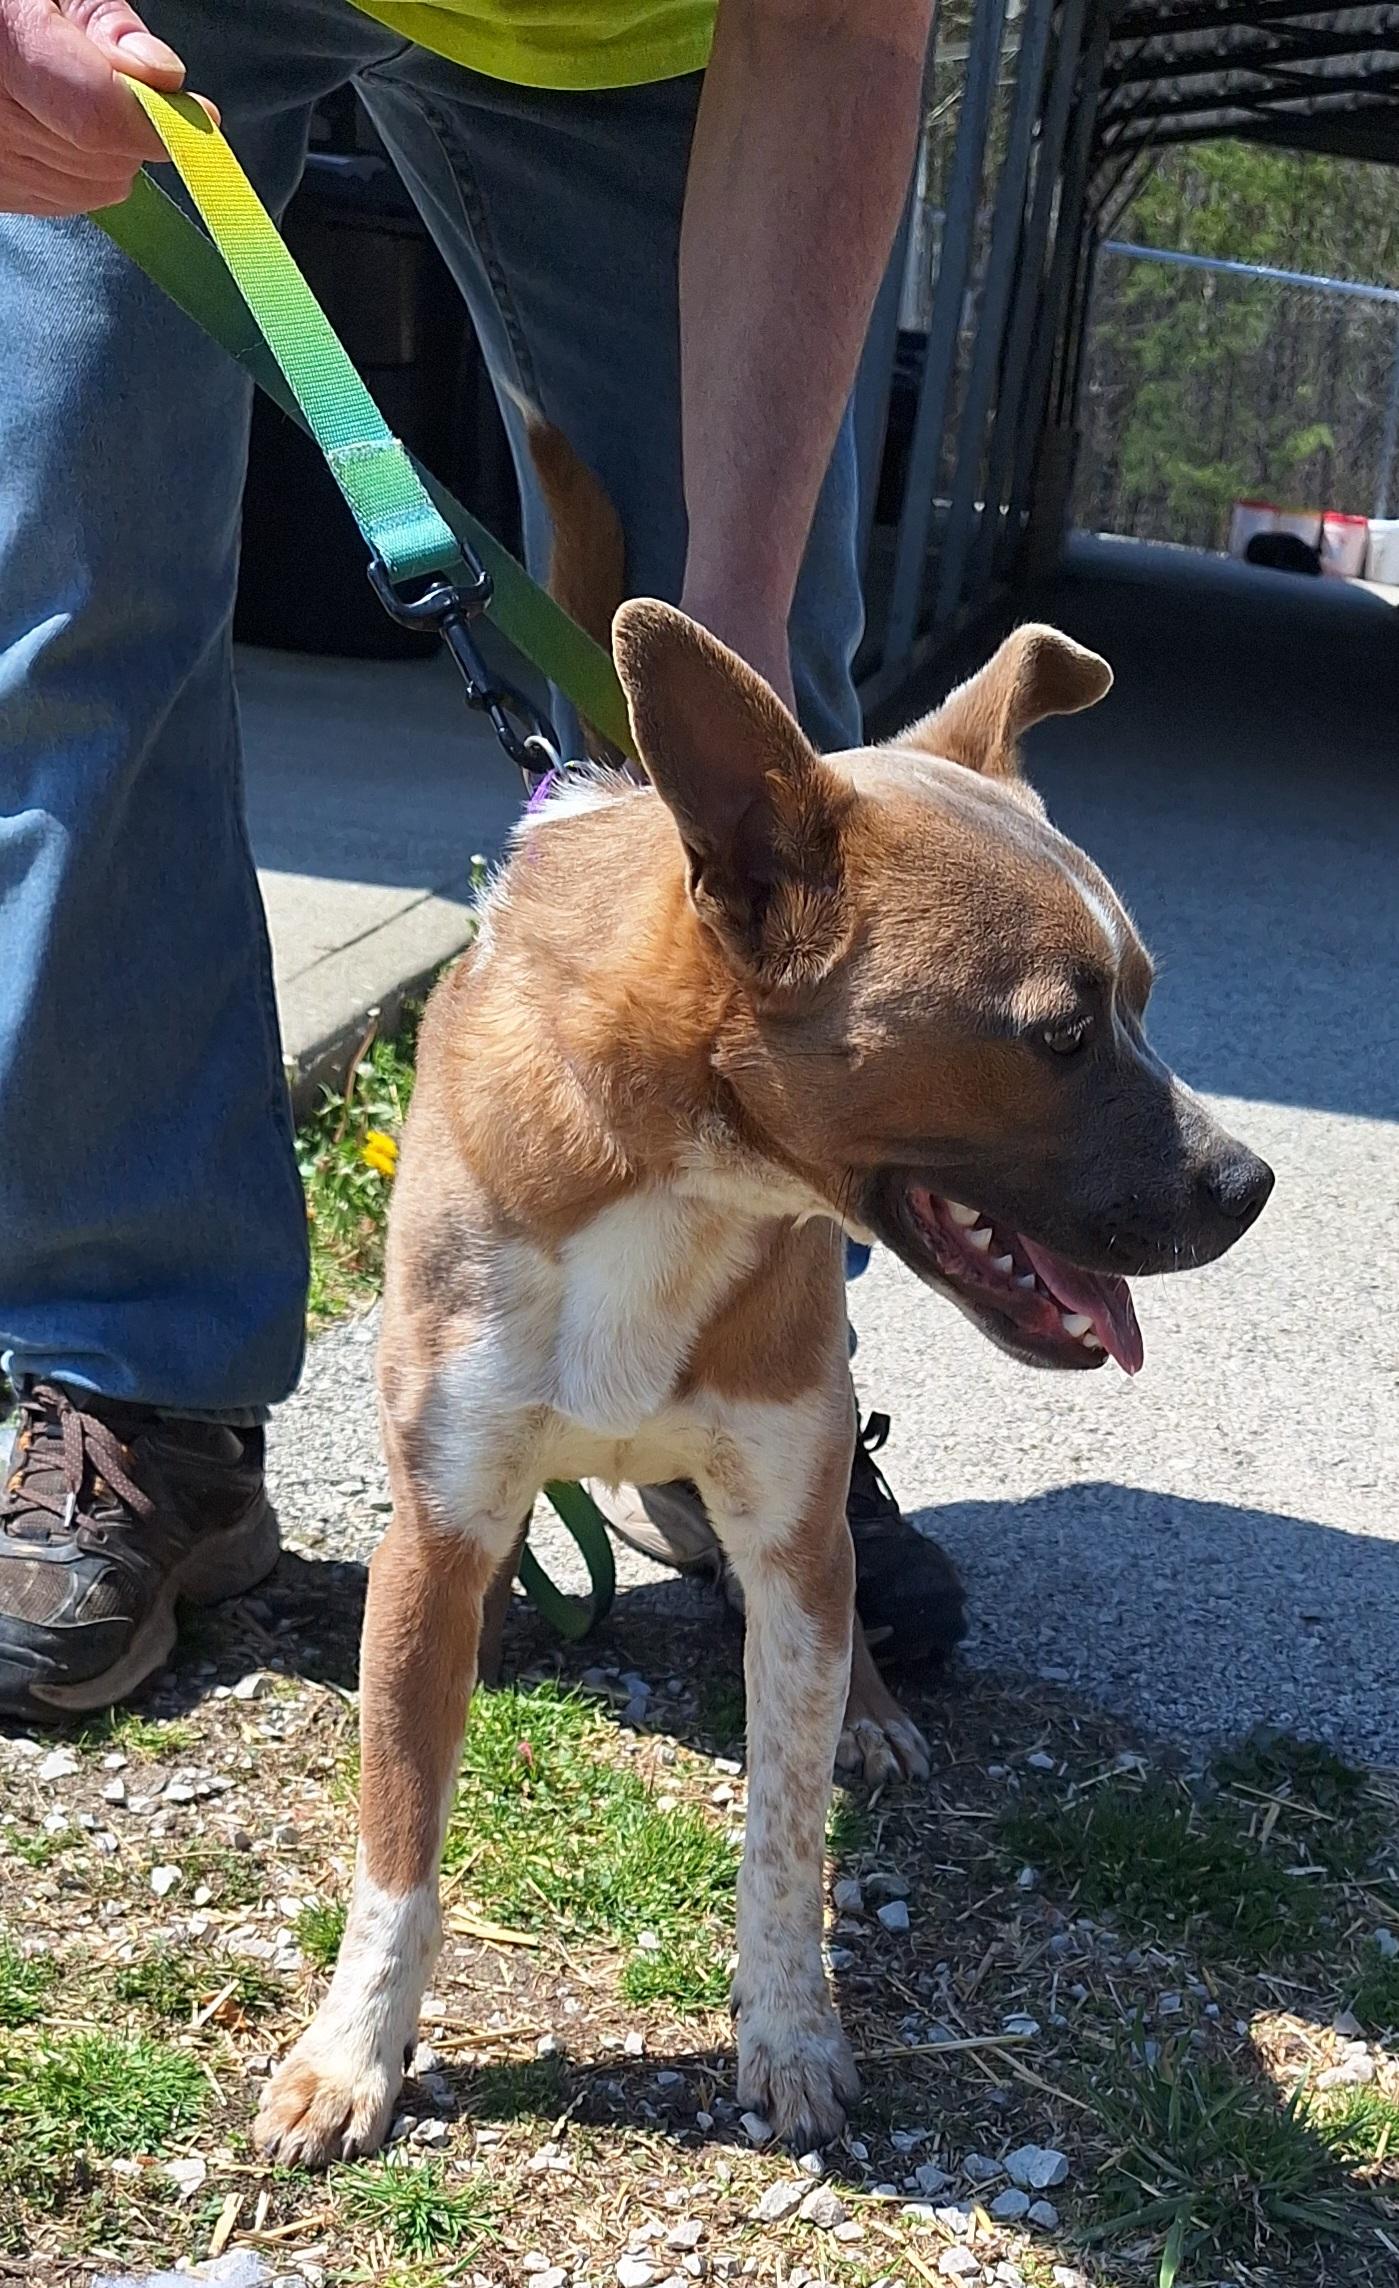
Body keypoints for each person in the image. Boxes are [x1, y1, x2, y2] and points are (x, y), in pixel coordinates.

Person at [0, 0, 966, 1720]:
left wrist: (718, 674)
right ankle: (136, 1370)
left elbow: (838, 26)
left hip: (658, 39)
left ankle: (726, 1391)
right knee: (68, 599)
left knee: (772, 726)